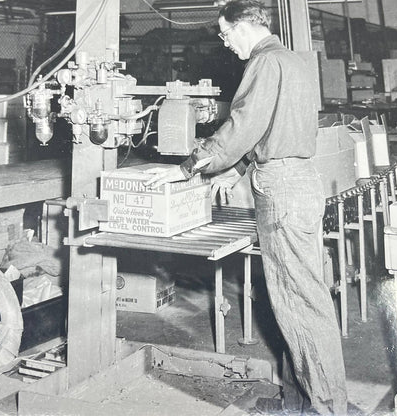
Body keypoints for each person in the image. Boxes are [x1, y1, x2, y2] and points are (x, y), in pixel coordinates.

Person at [146, 1, 347, 414]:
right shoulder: (293, 61)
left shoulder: (263, 63)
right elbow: (276, 124)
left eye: (224, 34)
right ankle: (300, 401)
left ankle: (328, 408)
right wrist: (235, 170)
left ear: (244, 26)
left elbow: (244, 124)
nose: (224, 43)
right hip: (300, 181)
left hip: (282, 189)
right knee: (295, 301)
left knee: (301, 305)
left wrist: (191, 165)